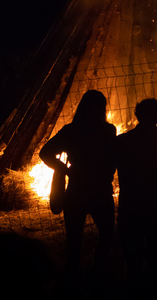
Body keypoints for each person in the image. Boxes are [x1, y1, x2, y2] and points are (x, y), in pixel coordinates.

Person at [39, 90, 116, 286]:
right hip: (100, 189)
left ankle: (71, 278)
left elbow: (46, 152)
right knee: (107, 234)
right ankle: (96, 271)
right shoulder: (108, 130)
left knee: (74, 239)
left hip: (77, 189)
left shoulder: (71, 130)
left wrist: (64, 169)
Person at [115, 98, 157, 288]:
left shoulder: (123, 141)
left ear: (137, 116)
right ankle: (155, 289)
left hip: (131, 203)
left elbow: (110, 170)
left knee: (132, 257)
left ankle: (134, 290)